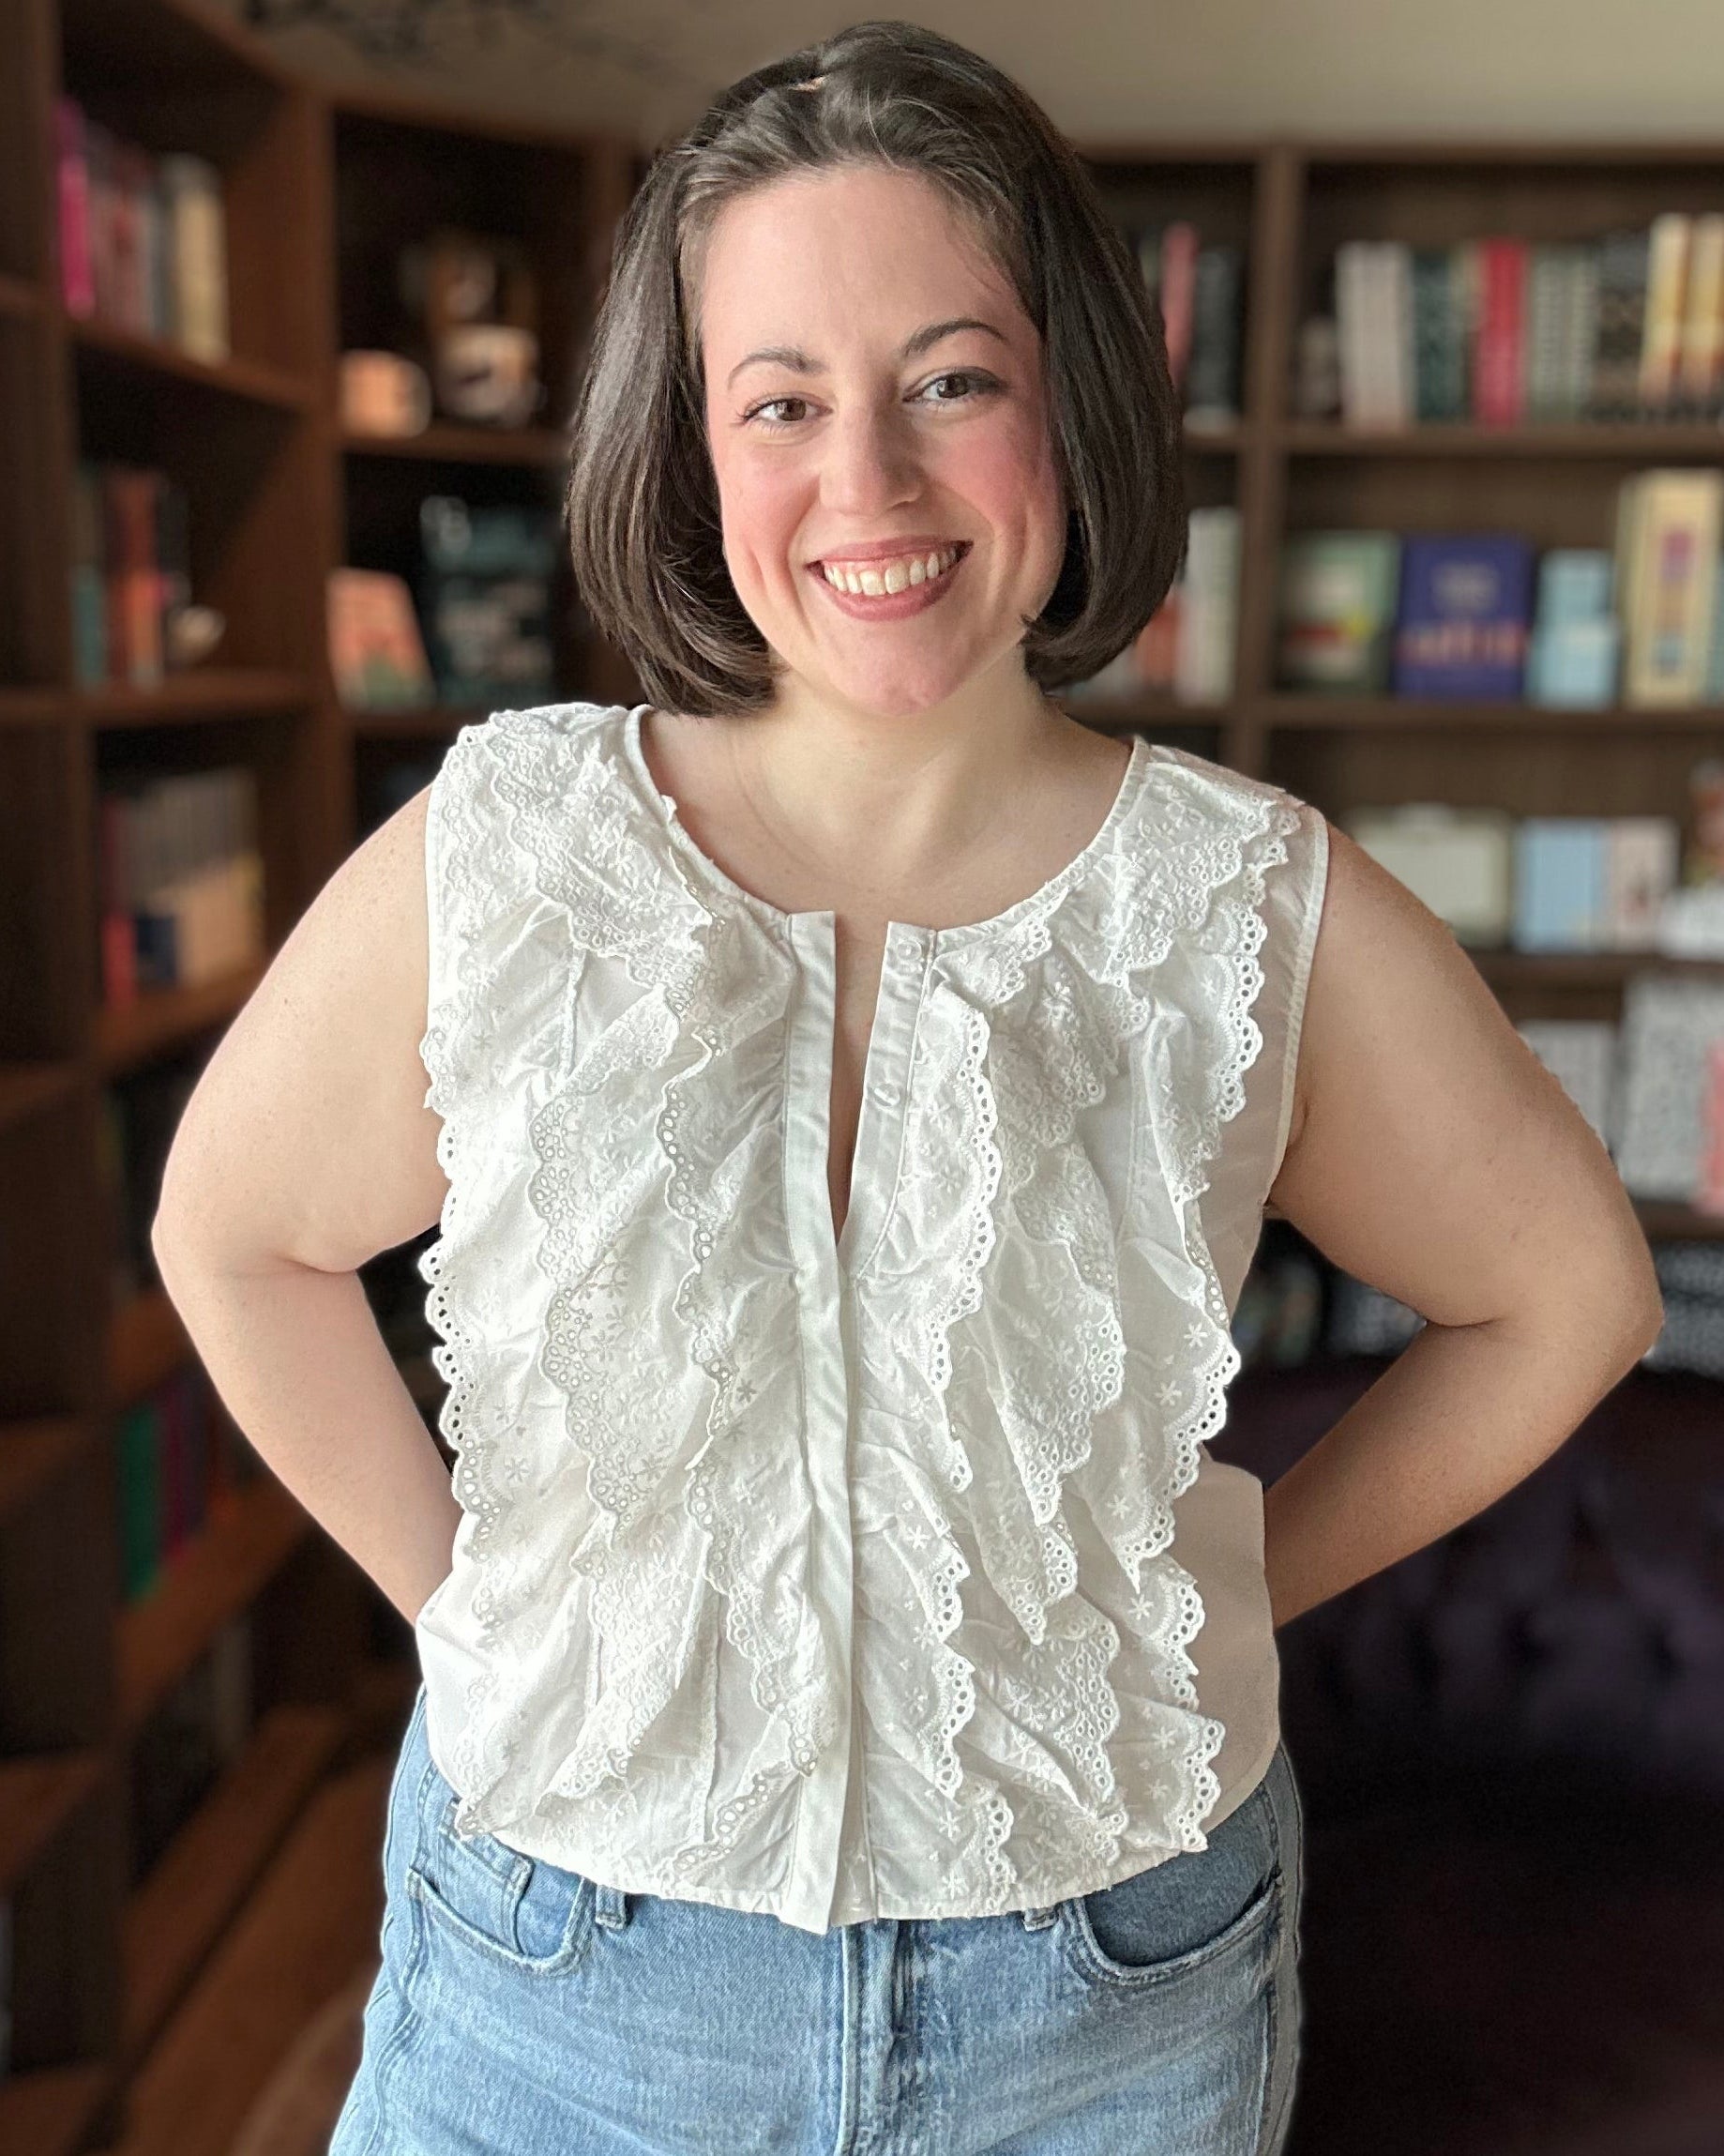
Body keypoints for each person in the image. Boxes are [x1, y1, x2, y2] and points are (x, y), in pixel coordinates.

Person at [151, 21, 1664, 2155]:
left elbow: (1567, 1295)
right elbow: (233, 1235)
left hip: (1107, 1999)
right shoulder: (511, 854)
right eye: (781, 402)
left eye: (949, 379)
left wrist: (1227, 1587)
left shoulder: (1239, 899)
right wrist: (474, 1611)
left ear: (1065, 399)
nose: (864, 484)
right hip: (566, 1979)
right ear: (691, 450)